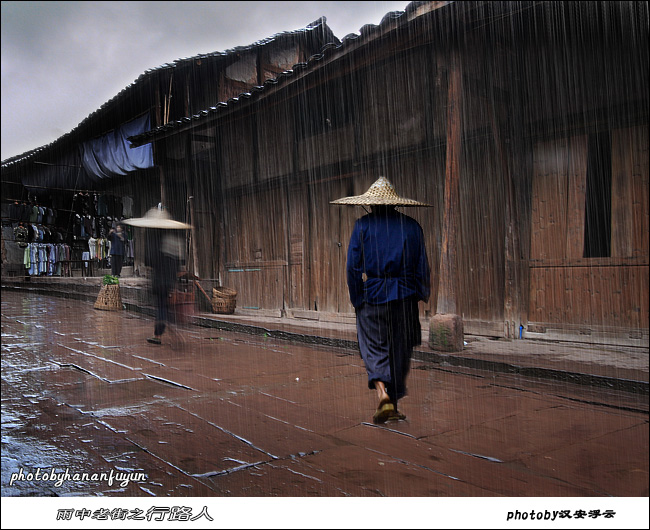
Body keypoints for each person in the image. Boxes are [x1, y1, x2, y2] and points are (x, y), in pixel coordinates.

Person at [331, 177, 431, 424]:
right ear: (394, 203)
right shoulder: (412, 226)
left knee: (373, 347)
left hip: (373, 295)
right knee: (400, 349)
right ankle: (392, 403)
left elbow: (353, 268)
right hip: (405, 296)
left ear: (372, 205)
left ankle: (383, 395)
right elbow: (422, 266)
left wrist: (358, 298)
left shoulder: (362, 226)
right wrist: (420, 293)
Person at [145, 230, 183, 345]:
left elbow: (151, 262)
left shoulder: (158, 243)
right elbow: (178, 266)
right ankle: (170, 323)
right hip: (169, 281)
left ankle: (159, 334)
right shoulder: (176, 244)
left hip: (159, 281)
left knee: (161, 307)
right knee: (165, 306)